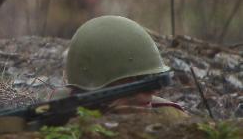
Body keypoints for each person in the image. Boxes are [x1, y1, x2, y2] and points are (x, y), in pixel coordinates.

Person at [52, 15, 187, 120]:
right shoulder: (59, 117)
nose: (151, 93)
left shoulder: (170, 117)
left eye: (151, 79)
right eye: (137, 80)